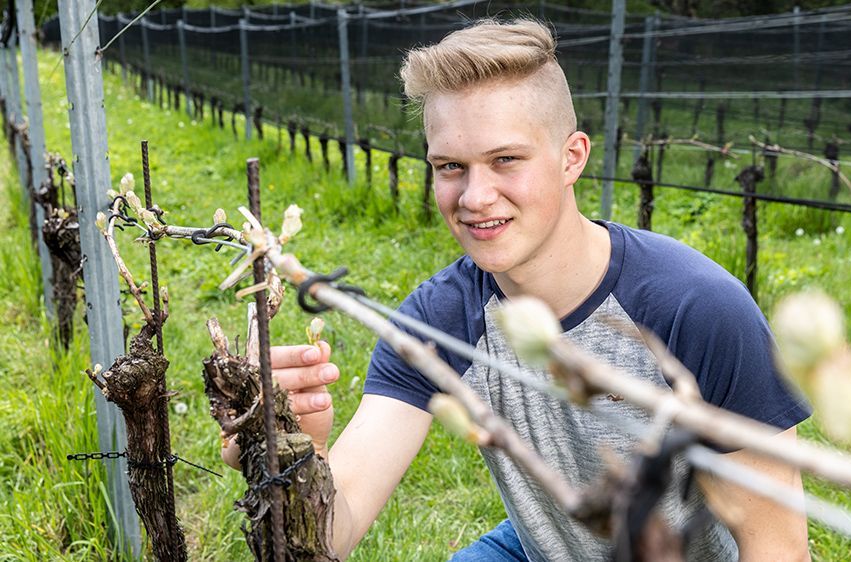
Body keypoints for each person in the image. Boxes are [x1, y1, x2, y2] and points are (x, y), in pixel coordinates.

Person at [231, 18, 812, 561]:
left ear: (571, 158)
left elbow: (777, 543)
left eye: (505, 159)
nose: (474, 197)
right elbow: (331, 535)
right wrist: (293, 449)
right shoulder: (438, 320)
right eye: (450, 166)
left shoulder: (697, 309)